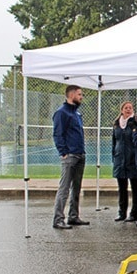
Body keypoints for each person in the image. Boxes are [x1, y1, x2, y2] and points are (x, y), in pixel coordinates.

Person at [51, 85, 89, 229]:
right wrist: (63, 152)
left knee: (76, 187)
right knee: (64, 188)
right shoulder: (62, 113)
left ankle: (73, 216)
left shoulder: (76, 114)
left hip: (80, 154)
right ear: (71, 95)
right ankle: (58, 219)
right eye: (79, 94)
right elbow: (58, 134)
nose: (81, 97)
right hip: (70, 155)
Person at [112, 101, 137, 222]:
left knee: (135, 187)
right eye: (126, 108)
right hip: (120, 160)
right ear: (122, 109)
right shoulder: (116, 124)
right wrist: (114, 156)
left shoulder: (136, 123)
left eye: (130, 107)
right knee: (122, 188)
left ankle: (134, 214)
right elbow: (114, 142)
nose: (128, 109)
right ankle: (121, 213)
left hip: (133, 160)